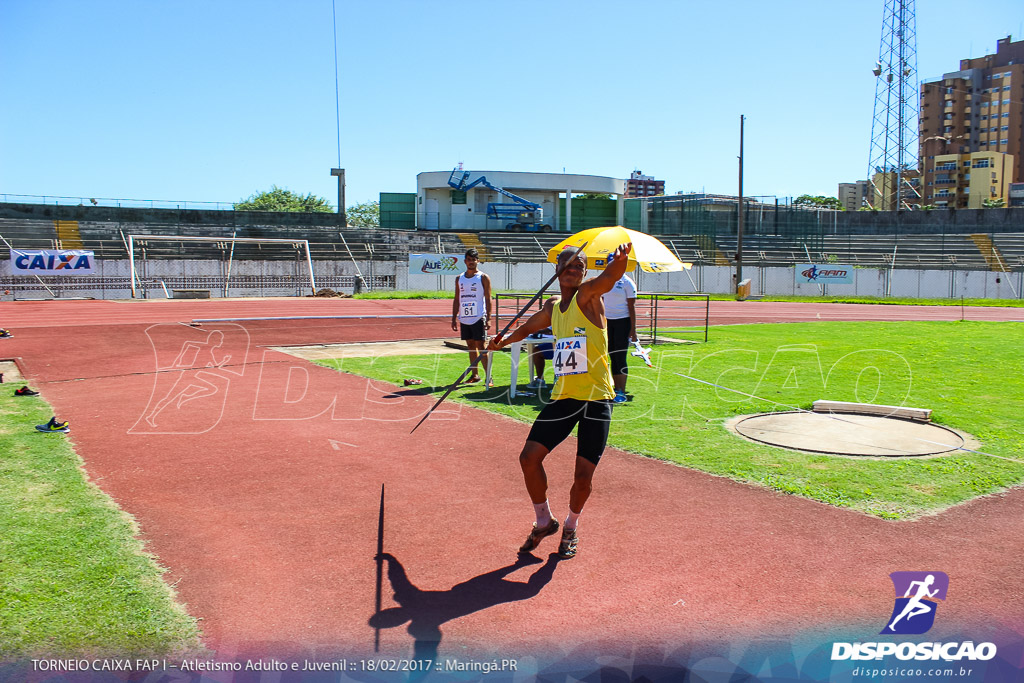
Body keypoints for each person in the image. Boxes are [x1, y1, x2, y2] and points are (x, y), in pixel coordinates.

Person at [488, 242, 632, 559]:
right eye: (567, 264)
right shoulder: (554, 306)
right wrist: (503, 341)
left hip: (595, 400)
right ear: (556, 271)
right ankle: (544, 520)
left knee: (582, 479)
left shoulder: (589, 296)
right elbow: (528, 327)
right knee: (528, 458)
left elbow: (608, 278)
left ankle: (571, 526)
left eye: (580, 265)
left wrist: (620, 261)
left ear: (584, 273)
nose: (574, 268)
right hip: (564, 397)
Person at [451, 249, 492, 385]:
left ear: (478, 261)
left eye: (474, 259)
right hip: (465, 317)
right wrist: (454, 318)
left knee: (481, 346)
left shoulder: (483, 277)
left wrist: (489, 317)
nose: (471, 262)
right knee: (470, 345)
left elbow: (488, 298)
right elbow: (457, 299)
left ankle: (489, 377)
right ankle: (475, 375)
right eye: (469, 259)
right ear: (465, 261)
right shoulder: (459, 278)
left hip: (479, 316)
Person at [601, 264, 638, 403]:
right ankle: (615, 388)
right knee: (611, 356)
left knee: (620, 356)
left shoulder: (627, 283)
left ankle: (621, 390)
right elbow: (602, 301)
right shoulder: (605, 280)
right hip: (608, 322)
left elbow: (631, 307)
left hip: (623, 322)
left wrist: (633, 330)